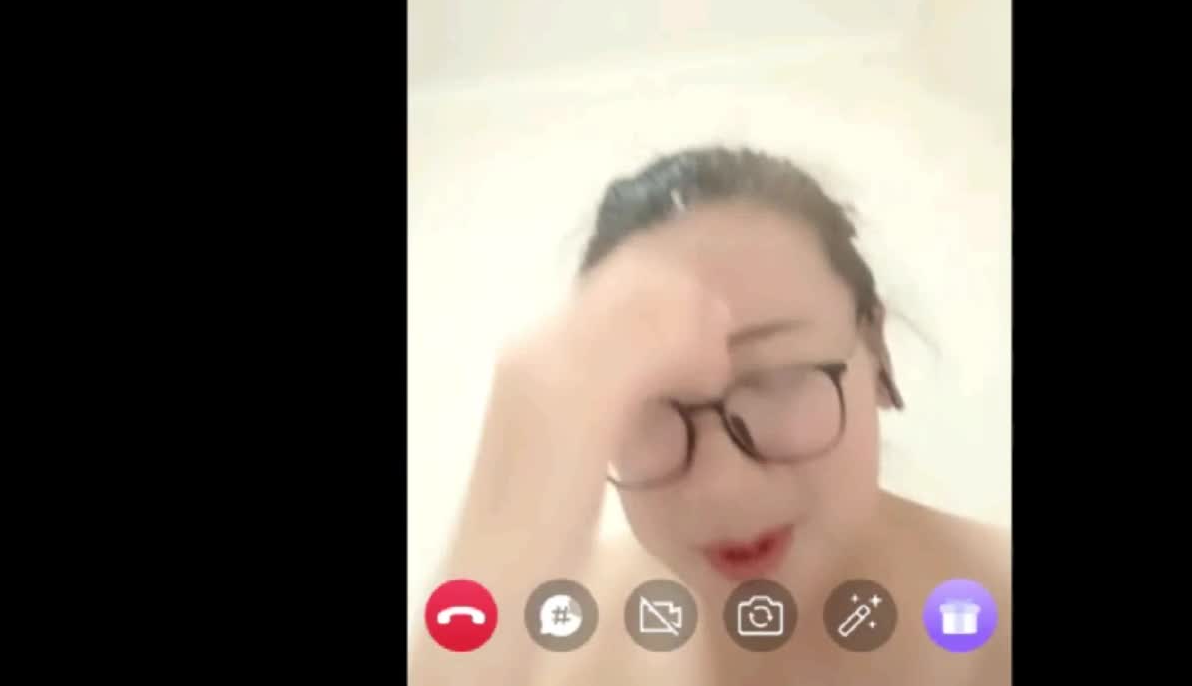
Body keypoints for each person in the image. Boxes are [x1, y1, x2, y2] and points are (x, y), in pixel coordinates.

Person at [411, 147, 1012, 685]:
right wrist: (506, 526)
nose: (722, 490)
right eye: (649, 404)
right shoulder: (548, 643)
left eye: (777, 379)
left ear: (875, 348)